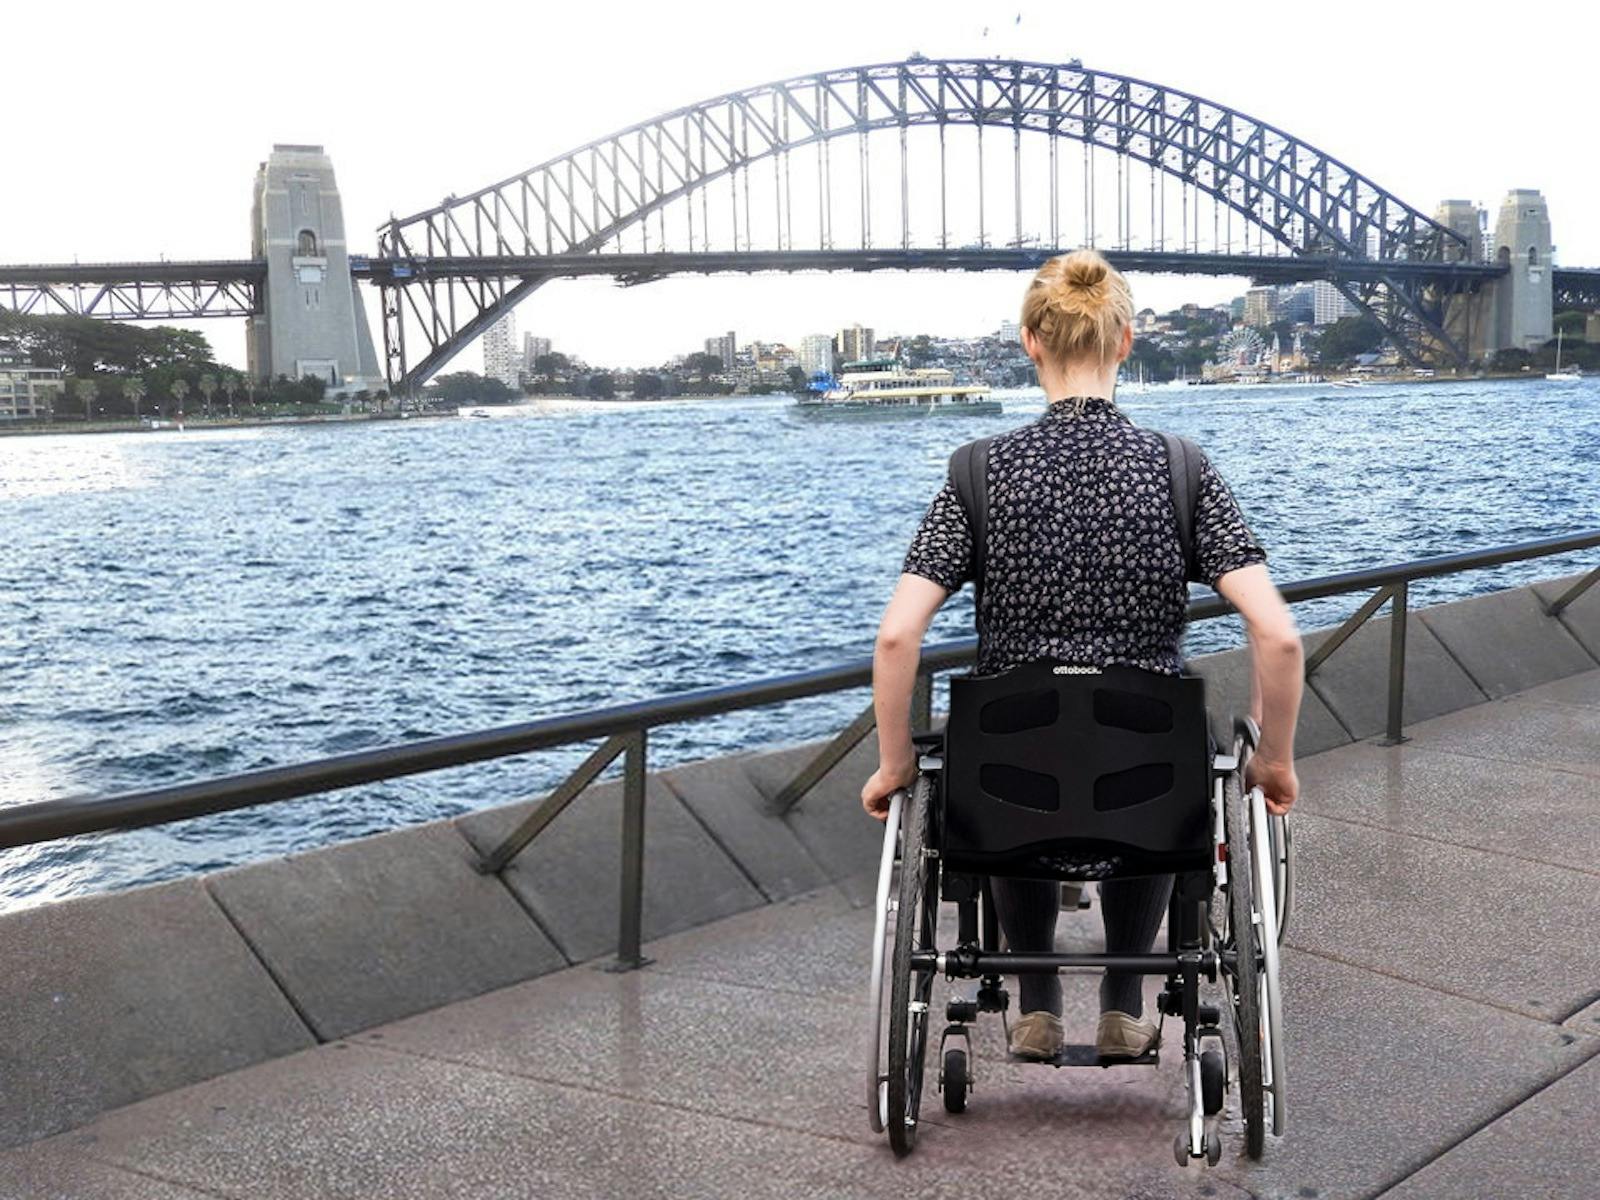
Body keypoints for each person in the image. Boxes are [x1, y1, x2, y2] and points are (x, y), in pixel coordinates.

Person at [860, 248, 1303, 1062]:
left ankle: (1034, 1007)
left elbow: (896, 637)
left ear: (1030, 341)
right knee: (1162, 740)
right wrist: (1274, 761)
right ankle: (1125, 1003)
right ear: (1126, 341)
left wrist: (892, 766)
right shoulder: (1181, 470)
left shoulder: (977, 473)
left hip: (1009, 791)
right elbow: (1277, 635)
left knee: (1006, 741)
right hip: (1147, 794)